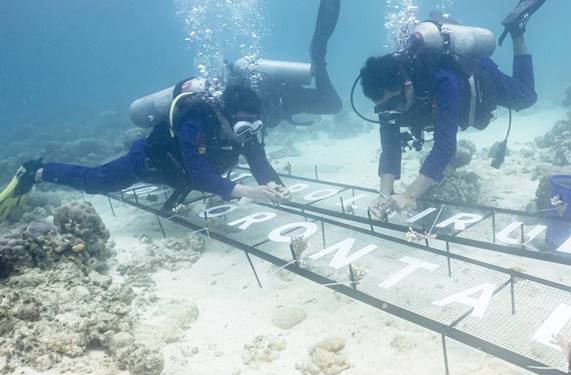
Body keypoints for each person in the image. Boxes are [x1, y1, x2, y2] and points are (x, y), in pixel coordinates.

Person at [0, 0, 343, 219]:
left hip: (190, 170)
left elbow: (258, 161)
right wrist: (252, 192)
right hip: (151, 164)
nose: (249, 135)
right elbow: (200, 176)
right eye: (243, 128)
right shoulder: (197, 120)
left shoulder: (246, 125)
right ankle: (36, 171)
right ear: (223, 114)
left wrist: (273, 186)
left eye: (255, 127)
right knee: (98, 181)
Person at [359, 0, 545, 212]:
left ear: (407, 86)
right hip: (447, 92)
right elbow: (390, 147)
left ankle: (516, 31)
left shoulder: (442, 81)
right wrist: (385, 193)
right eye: (384, 107)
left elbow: (445, 147)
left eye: (395, 103)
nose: (392, 110)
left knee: (527, 97)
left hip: (481, 81)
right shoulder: (388, 97)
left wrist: (410, 195)